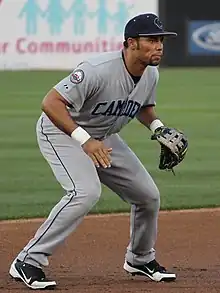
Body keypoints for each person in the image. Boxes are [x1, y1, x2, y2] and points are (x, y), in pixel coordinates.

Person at [9, 13, 187, 290]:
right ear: (131, 43)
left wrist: (158, 127)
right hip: (61, 131)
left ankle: (140, 259)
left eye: (161, 40)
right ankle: (28, 260)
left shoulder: (150, 74)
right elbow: (51, 102)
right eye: (152, 40)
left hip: (102, 136)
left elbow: (142, 106)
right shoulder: (98, 69)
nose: (159, 46)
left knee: (147, 196)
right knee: (85, 192)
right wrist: (85, 140)